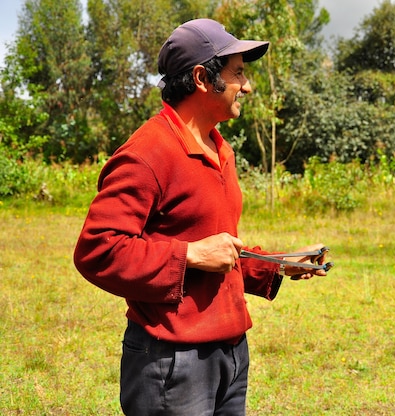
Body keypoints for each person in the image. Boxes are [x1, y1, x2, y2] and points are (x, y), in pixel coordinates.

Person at [73, 18, 329, 416]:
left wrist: (276, 265)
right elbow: (97, 251)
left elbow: (216, 247)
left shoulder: (219, 148)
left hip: (230, 354)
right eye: (238, 73)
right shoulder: (147, 153)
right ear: (201, 78)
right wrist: (189, 255)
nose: (248, 85)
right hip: (172, 362)